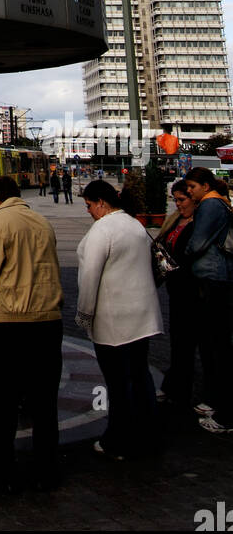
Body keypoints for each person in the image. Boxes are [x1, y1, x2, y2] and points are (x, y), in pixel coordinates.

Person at [0, 175, 63, 491]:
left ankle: (3, 469)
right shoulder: (42, 222)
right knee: (44, 402)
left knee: (3, 402)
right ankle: (46, 469)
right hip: (47, 323)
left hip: (8, 324)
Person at [76, 180, 162, 460]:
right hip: (142, 316)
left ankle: (118, 440)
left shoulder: (103, 229)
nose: (88, 211)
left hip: (113, 319)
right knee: (140, 376)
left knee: (117, 383)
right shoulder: (134, 224)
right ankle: (148, 435)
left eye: (89, 205)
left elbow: (90, 277)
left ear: (101, 202)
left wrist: (84, 314)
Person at [183, 167, 233, 433]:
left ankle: (225, 411)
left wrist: (183, 255)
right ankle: (217, 400)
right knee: (216, 344)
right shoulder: (217, 203)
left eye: (191, 187)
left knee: (218, 345)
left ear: (204, 185)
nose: (189, 192)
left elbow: (199, 241)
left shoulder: (211, 205)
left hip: (213, 277)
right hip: (216, 276)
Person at [156, 180, 197, 409]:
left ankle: (181, 388)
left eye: (182, 200)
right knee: (179, 340)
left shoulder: (199, 223)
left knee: (187, 341)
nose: (178, 205)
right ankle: (175, 384)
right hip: (175, 289)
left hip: (191, 289)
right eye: (175, 200)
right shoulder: (175, 220)